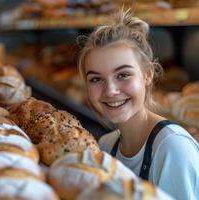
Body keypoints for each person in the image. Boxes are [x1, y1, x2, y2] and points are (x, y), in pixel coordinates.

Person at [78, 9, 199, 200]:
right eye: (96, 79)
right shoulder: (106, 146)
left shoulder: (172, 148)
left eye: (123, 75)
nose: (110, 90)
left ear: (148, 74)